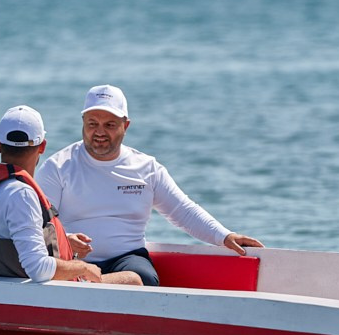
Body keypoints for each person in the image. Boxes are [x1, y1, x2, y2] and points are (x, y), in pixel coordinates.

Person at [38, 84, 263, 287]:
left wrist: (224, 236)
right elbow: (38, 224)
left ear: (126, 125)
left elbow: (182, 210)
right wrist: (65, 239)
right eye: (92, 124)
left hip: (126, 259)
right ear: (83, 123)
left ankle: (87, 285)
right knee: (129, 281)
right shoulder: (57, 167)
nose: (99, 132)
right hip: (73, 260)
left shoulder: (147, 168)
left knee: (142, 278)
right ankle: (86, 280)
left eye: (110, 125)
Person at [0, 105, 141, 285]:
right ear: (42, 147)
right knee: (133, 279)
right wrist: (84, 268)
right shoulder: (21, 195)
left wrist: (65, 240)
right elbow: (37, 268)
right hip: (38, 294)